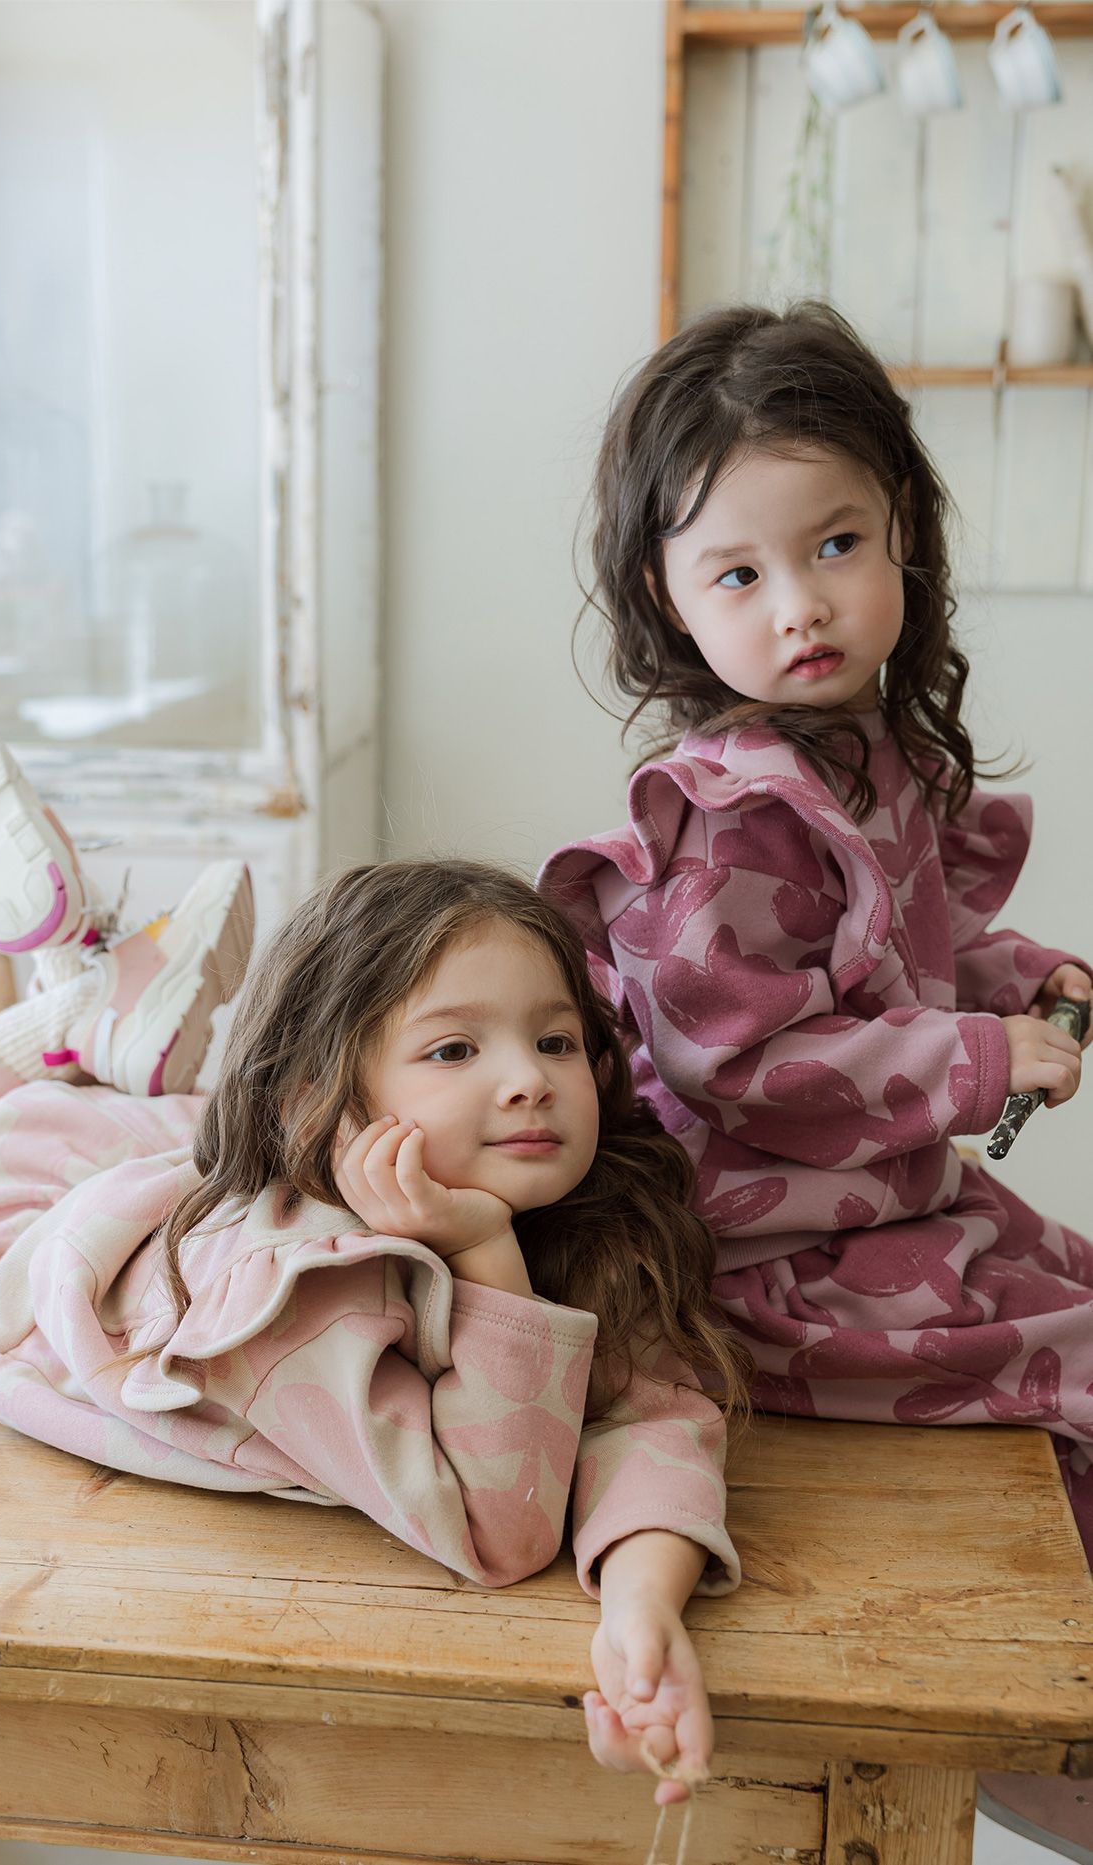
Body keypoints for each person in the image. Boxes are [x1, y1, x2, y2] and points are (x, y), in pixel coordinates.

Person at [0, 709, 747, 1807]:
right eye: (454, 1047)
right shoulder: (296, 1294)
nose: (528, 1078)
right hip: (39, 1209)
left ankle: (91, 1014)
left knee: (114, 1105)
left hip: (165, 1140)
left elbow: (654, 1415)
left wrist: (643, 1604)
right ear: (323, 1105)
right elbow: (499, 1522)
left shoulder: (586, 1212)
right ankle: (62, 1019)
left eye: (554, 1039)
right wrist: (484, 1251)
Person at [540, 299, 1093, 1854]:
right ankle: (1050, 1749)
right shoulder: (731, 816)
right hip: (771, 1260)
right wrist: (978, 1055)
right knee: (1073, 1376)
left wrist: (1019, 978)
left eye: (837, 544)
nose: (802, 607)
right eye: (740, 575)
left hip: (888, 1211)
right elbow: (742, 1058)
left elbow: (895, 960)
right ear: (667, 599)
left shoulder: (868, 749)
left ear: (903, 527)